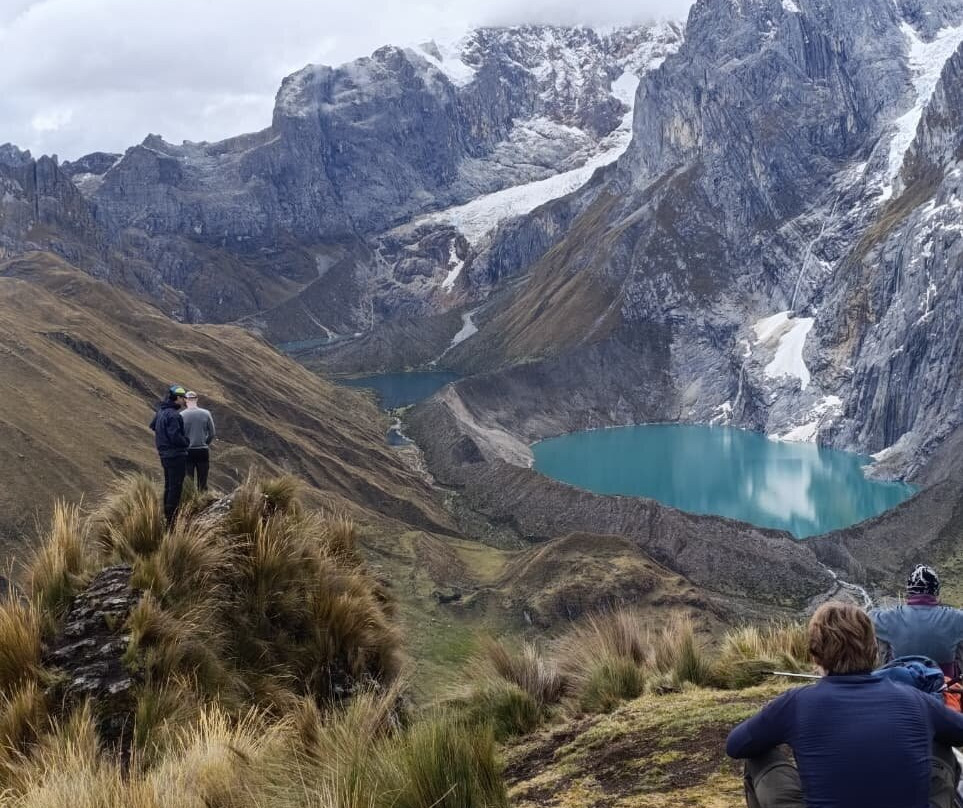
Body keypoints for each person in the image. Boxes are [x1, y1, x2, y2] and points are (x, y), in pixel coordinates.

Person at [726, 601, 963, 808]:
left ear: (815, 654)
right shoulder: (916, 701)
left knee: (757, 756)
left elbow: (736, 745)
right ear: (874, 651)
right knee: (942, 744)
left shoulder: (795, 704)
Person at [871, 564, 963, 678]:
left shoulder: (891, 617)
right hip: (944, 684)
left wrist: (884, 611)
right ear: (936, 592)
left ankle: (884, 676)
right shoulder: (955, 618)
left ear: (909, 592)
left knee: (881, 637)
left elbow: (868, 617)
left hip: (902, 684)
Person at [149, 384, 190, 527]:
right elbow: (176, 437)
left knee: (169, 485)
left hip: (164, 455)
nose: (185, 400)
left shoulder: (161, 411)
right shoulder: (173, 415)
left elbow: (153, 426)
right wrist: (186, 441)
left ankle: (167, 516)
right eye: (184, 398)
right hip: (176, 455)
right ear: (177, 398)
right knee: (176, 487)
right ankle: (172, 520)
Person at [181, 390, 216, 491]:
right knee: (202, 481)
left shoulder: (181, 415)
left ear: (185, 400)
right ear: (196, 399)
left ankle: (191, 503)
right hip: (202, 450)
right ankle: (204, 502)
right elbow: (212, 433)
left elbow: (179, 435)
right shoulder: (206, 413)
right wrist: (205, 443)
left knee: (189, 481)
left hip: (188, 451)